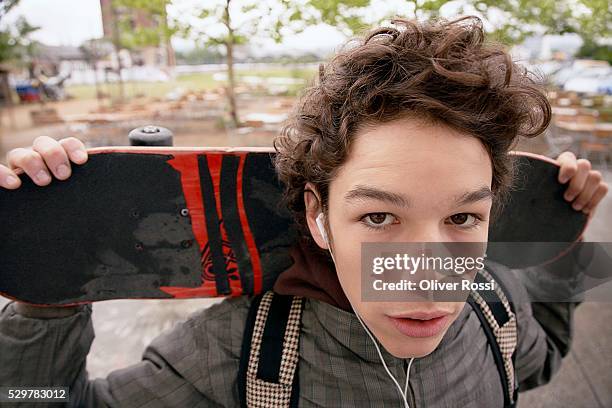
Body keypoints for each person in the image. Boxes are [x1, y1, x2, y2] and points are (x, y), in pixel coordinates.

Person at [0, 16, 608, 407]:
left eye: (462, 218)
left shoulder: (496, 311)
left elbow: (542, 361)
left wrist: (564, 241)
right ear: (318, 217)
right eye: (378, 218)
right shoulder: (241, 350)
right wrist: (51, 290)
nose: (428, 273)